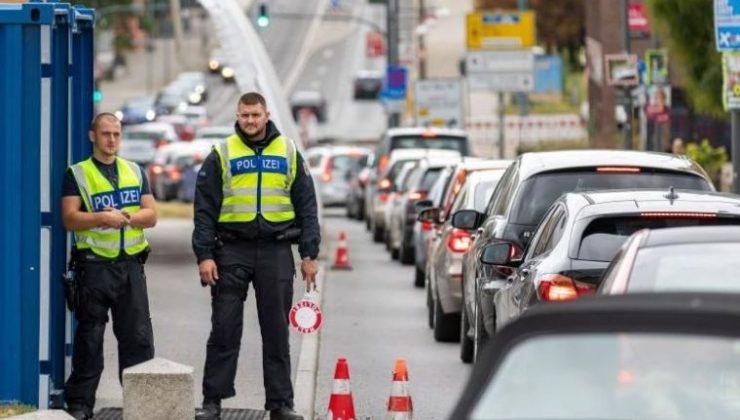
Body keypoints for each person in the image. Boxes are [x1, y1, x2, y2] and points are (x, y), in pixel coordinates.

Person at [192, 92, 320, 420]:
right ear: (238, 115)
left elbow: (307, 205)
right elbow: (204, 209)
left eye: (256, 115)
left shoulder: (289, 151)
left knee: (276, 331)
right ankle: (212, 401)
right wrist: (204, 255)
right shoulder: (221, 153)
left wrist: (309, 254)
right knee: (224, 328)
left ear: (266, 115)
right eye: (245, 115)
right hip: (231, 250)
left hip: (276, 250)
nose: (250, 121)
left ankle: (280, 404)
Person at [61, 113, 157, 420]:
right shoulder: (77, 174)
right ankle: (80, 406)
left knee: (138, 340)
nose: (111, 139)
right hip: (94, 269)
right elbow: (70, 218)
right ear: (93, 136)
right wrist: (103, 217)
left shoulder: (135, 170)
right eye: (105, 134)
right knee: (89, 340)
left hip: (130, 268)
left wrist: (125, 217)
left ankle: (141, 405)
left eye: (116, 134)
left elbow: (151, 215)